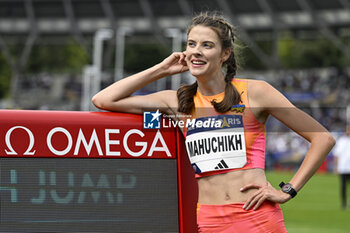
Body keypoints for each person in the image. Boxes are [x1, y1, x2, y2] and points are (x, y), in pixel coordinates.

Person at [92, 12, 335, 233]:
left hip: (257, 218)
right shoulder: (177, 102)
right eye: (191, 44)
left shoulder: (256, 92)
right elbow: (103, 99)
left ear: (225, 54)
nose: (196, 51)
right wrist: (161, 69)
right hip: (209, 221)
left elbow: (322, 138)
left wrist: (288, 190)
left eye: (207, 45)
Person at [333, 125, 350, 209]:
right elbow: (337, 155)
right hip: (343, 167)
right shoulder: (341, 141)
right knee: (343, 187)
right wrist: (336, 167)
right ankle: (344, 203)